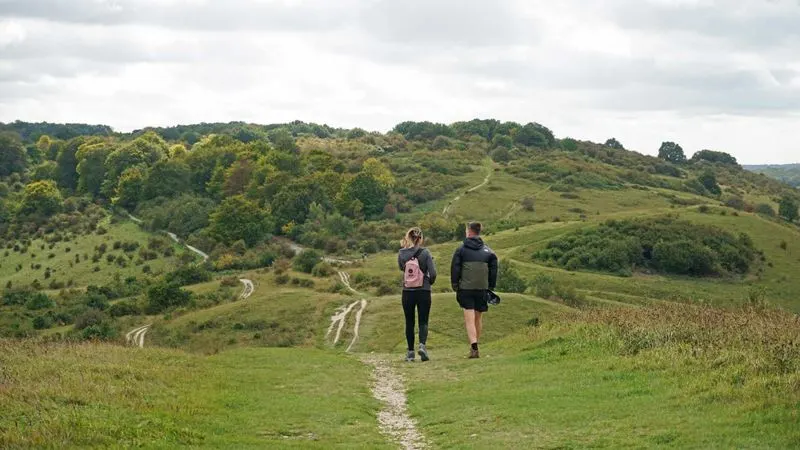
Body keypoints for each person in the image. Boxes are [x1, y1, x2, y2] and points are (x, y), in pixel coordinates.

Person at [450, 222, 498, 359]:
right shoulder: (489, 252)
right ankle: (476, 344)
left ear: (469, 232)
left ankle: (474, 346)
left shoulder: (461, 250)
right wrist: (491, 287)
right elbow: (494, 269)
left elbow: (455, 268)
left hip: (466, 289)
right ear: (479, 232)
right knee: (478, 318)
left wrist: (455, 284)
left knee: (469, 319)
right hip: (482, 289)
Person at [398, 227, 437, 362]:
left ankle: (410, 352)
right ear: (420, 239)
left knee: (409, 321)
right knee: (423, 320)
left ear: (408, 237)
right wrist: (428, 282)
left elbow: (402, 268)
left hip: (408, 291)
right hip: (423, 290)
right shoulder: (426, 252)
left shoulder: (402, 254)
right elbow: (433, 273)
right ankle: (422, 346)